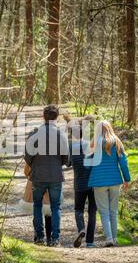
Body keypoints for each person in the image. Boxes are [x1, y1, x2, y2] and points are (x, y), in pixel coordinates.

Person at [24, 104, 69, 247]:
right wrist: (58, 164)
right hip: (55, 175)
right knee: (56, 207)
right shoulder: (61, 134)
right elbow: (66, 157)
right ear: (57, 117)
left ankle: (39, 237)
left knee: (37, 205)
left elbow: (27, 156)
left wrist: (35, 164)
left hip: (38, 175)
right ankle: (55, 239)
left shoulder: (35, 133)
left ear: (43, 116)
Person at [87, 120, 131, 247]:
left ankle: (109, 238)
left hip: (98, 181)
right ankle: (115, 238)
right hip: (115, 180)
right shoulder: (116, 142)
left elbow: (88, 163)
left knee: (104, 211)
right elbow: (123, 163)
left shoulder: (94, 143)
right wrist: (127, 179)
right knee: (113, 210)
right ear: (110, 128)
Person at [68, 120, 97, 248]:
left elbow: (68, 163)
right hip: (92, 183)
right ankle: (90, 242)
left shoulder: (71, 147)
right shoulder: (90, 145)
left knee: (78, 209)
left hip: (79, 183)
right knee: (92, 211)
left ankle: (81, 229)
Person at [23, 163, 52, 245]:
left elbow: (26, 171)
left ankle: (39, 237)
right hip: (49, 182)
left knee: (37, 210)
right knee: (48, 212)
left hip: (34, 181)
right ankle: (49, 238)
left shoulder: (32, 151)